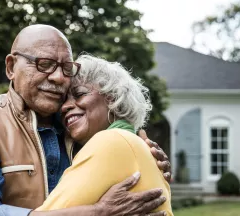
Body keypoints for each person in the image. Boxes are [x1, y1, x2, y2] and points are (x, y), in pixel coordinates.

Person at [0, 24, 171, 216]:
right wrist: (96, 213)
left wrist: (147, 162)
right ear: (11, 67)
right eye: (45, 64)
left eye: (66, 68)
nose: (59, 78)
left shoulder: (81, 130)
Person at [33, 55, 173, 215]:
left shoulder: (111, 141)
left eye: (79, 94)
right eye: (63, 100)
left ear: (112, 98)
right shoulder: (133, 144)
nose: (64, 107)